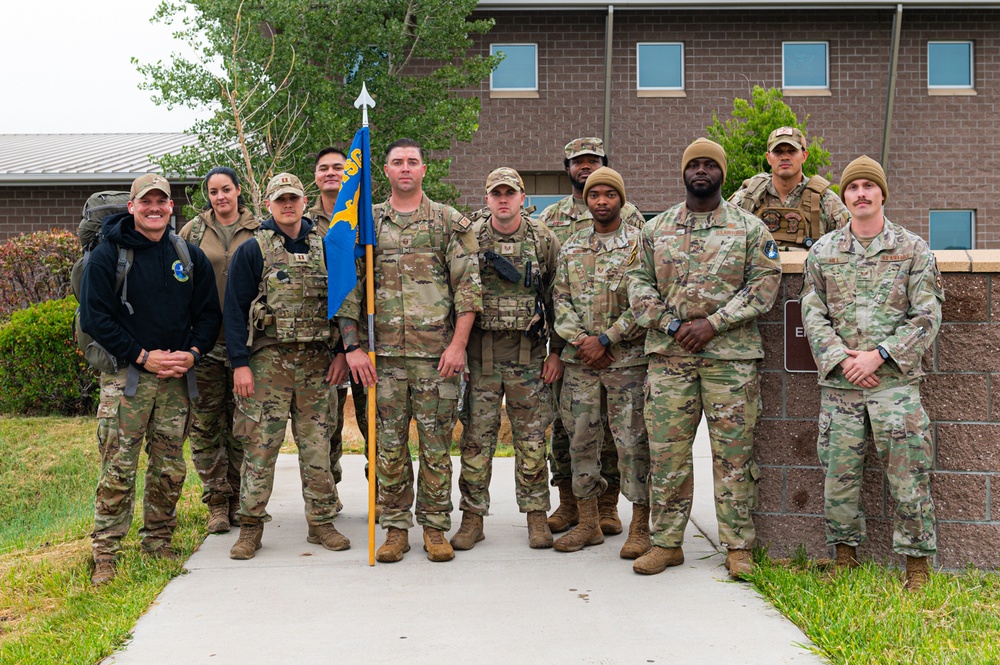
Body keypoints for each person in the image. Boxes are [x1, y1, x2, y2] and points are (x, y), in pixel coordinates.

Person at [628, 138, 781, 578]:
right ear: (683, 172)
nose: (700, 171)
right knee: (667, 454)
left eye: (709, 165)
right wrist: (674, 326)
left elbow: (763, 286)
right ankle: (666, 543)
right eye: (693, 164)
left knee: (734, 455)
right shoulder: (656, 230)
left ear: (722, 173)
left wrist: (713, 323)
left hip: (730, 362)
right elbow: (637, 286)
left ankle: (738, 548)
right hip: (669, 360)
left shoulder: (750, 229)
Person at [800, 156, 943, 591]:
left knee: (908, 474)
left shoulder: (913, 249)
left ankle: (916, 565)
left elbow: (928, 312)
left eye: (868, 186)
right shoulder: (824, 251)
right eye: (853, 187)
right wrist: (843, 359)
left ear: (882, 194)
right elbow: (812, 312)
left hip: (894, 386)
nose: (861, 193)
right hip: (841, 387)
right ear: (844, 197)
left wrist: (879, 355)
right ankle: (845, 557)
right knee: (839, 475)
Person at [81, 174, 221, 585]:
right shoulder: (109, 256)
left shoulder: (186, 254)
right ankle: (106, 553)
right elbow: (96, 318)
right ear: (132, 206)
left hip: (176, 379)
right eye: (147, 201)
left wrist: (191, 354)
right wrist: (142, 356)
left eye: (162, 201)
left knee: (169, 467)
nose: (155, 207)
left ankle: (158, 540)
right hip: (127, 378)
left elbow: (208, 314)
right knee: (118, 467)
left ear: (171, 207)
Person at [357, 138, 482, 564]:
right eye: (397, 162)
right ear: (386, 170)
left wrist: (458, 346)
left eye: (413, 161)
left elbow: (468, 289)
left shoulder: (448, 222)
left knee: (434, 446)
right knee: (389, 447)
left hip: (436, 358)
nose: (405, 168)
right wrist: (354, 346)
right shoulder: (367, 222)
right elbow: (351, 288)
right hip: (385, 360)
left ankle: (434, 527)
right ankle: (395, 529)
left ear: (424, 169)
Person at [224, 172, 355, 560]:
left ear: (303, 201)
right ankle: (250, 526)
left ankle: (321, 521)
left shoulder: (327, 246)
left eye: (293, 199)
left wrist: (343, 354)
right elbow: (234, 311)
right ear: (268, 205)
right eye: (280, 199)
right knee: (261, 445)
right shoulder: (253, 249)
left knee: (317, 445)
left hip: (318, 361)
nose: (287, 205)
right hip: (269, 362)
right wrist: (240, 364)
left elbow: (345, 303)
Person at [538, 137, 645, 537]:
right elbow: (556, 295)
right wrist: (581, 340)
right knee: (574, 437)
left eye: (607, 192)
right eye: (580, 165)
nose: (600, 199)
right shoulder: (561, 231)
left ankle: (622, 515)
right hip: (575, 355)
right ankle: (578, 513)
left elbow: (644, 297)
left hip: (624, 358)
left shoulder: (637, 235)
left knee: (629, 442)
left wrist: (608, 339)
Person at [452, 167, 562, 551]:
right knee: (476, 442)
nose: (503, 199)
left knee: (531, 441)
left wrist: (558, 353)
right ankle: (472, 518)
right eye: (496, 193)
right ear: (486, 198)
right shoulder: (470, 237)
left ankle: (536, 517)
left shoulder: (542, 238)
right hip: (481, 358)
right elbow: (458, 294)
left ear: (521, 197)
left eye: (509, 193)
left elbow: (555, 298)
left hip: (528, 358)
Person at [179, 167, 260, 534]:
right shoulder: (193, 231)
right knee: (207, 425)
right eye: (213, 191)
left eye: (226, 189)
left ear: (238, 190)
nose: (220, 197)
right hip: (207, 344)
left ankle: (243, 499)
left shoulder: (260, 229)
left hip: (250, 344)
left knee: (244, 427)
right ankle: (217, 504)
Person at [307, 147, 370, 494]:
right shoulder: (301, 223)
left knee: (372, 423)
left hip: (366, 338)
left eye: (339, 167)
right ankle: (326, 498)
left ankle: (381, 494)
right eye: (323, 168)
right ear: (315, 176)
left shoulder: (368, 217)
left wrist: (352, 346)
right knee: (324, 427)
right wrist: (337, 348)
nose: (331, 173)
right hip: (320, 342)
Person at [729, 126, 850, 250]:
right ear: (768, 158)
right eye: (778, 152)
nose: (785, 157)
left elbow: (848, 248)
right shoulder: (746, 199)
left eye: (792, 151)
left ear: (804, 156)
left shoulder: (827, 201)